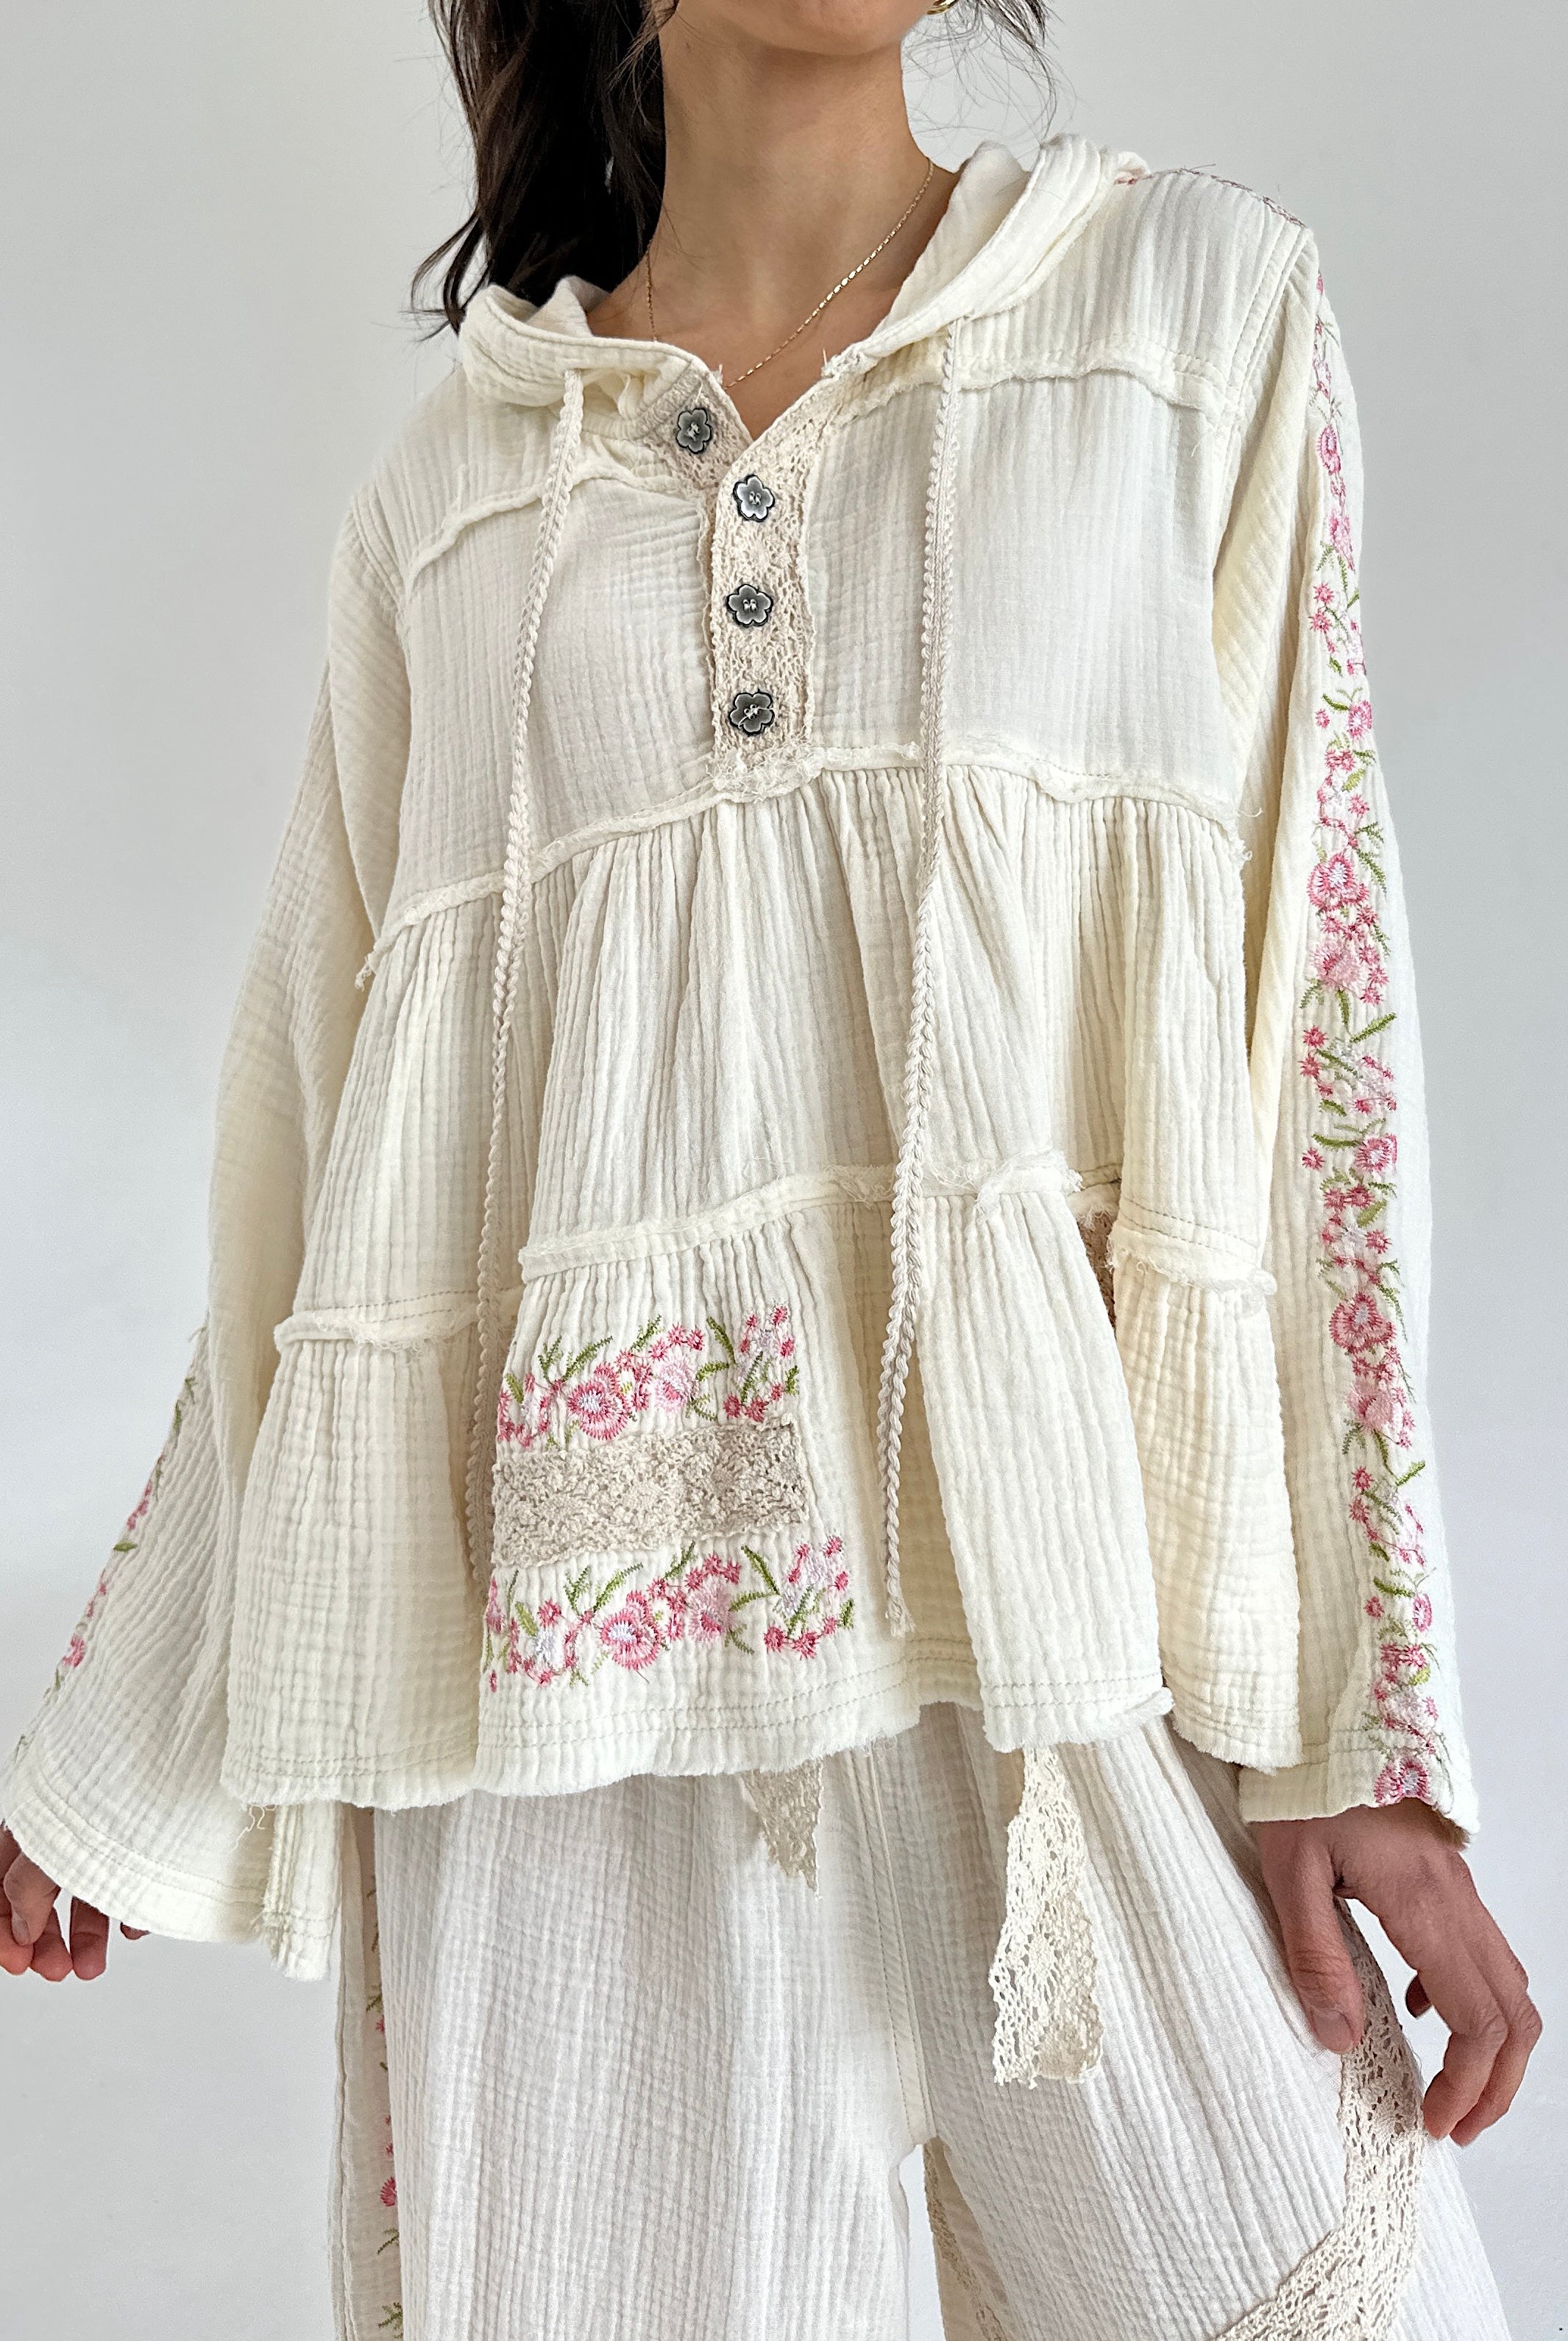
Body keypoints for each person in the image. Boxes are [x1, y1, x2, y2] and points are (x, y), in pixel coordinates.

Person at [1, 3, 1539, 2336]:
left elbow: (1305, 1013)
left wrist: (1365, 1731)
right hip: (568, 1752)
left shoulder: (1184, 317)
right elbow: (335, 1170)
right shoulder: (455, 494)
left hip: (1058, 1672)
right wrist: (122, 1740)